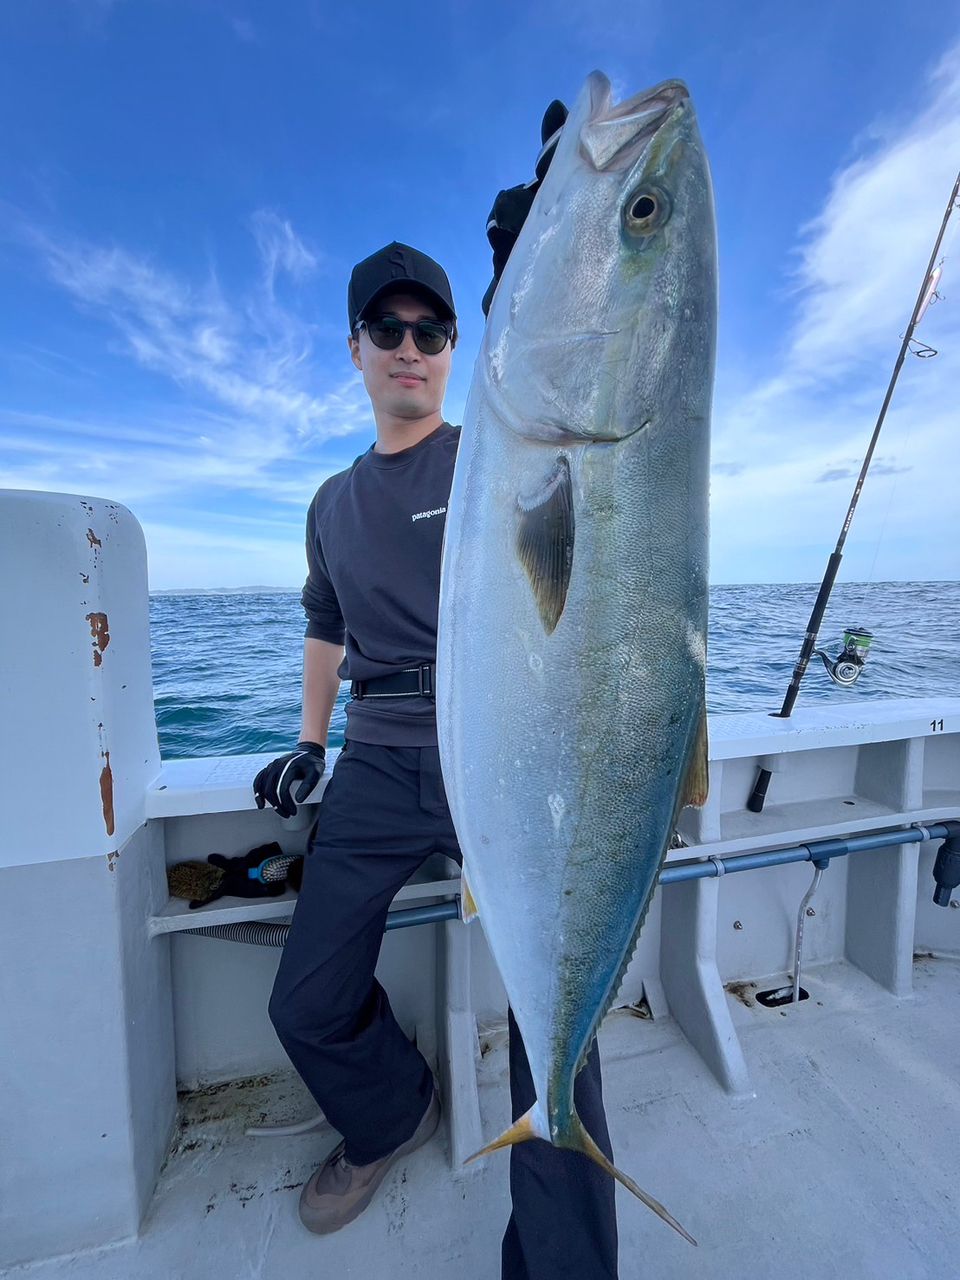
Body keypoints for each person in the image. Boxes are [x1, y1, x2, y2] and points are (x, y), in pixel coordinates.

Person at [254, 112, 619, 1280]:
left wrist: (539, 260)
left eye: (435, 329)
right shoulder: (329, 500)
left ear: (459, 347)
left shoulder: (491, 457)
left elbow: (566, 415)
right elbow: (324, 621)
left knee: (551, 1003)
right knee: (304, 998)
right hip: (377, 756)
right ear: (356, 347)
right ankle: (388, 1105)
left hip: (497, 747)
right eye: (388, 328)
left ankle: (562, 1264)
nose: (412, 346)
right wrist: (309, 741)